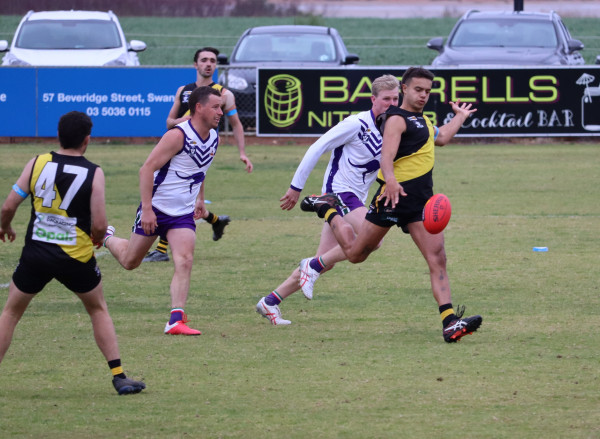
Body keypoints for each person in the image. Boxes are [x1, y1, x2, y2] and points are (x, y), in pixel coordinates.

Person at [300, 67, 483, 343]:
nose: (423, 95)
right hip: (392, 198)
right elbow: (386, 156)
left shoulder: (423, 120)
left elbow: (443, 137)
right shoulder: (396, 119)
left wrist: (460, 116)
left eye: (427, 91)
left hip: (421, 204)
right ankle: (326, 207)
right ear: (405, 88)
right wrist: (393, 181)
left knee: (438, 258)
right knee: (356, 254)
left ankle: (449, 323)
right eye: (418, 89)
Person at [0, 111, 145, 395]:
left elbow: (8, 206)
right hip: (76, 257)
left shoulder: (37, 162)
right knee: (97, 309)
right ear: (87, 140)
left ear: (58, 135)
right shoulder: (94, 172)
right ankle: (119, 376)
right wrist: (99, 238)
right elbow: (100, 224)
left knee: (11, 312)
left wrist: (5, 226)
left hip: (36, 253)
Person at [256, 74, 400, 325]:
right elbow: (318, 146)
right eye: (386, 99)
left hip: (355, 198)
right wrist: (295, 186)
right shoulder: (356, 124)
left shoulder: (394, 129)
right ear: (373, 99)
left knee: (324, 261)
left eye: (396, 99)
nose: (392, 104)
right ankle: (313, 251)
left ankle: (270, 302)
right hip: (339, 193)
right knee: (373, 238)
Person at [103, 86, 223, 336]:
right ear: (198, 107)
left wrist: (200, 199)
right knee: (130, 262)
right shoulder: (177, 136)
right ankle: (106, 237)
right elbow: (146, 169)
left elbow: (200, 169)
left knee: (185, 260)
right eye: (215, 107)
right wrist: (147, 209)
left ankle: (175, 320)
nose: (220, 112)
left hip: (182, 214)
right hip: (156, 209)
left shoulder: (214, 137)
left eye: (220, 107)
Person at [144, 47, 252, 262]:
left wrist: (242, 152)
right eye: (204, 60)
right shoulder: (183, 91)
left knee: (180, 194)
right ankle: (216, 221)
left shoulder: (224, 94)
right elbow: (169, 122)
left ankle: (161, 249)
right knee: (177, 194)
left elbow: (236, 124)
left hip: (203, 147)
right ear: (195, 64)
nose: (208, 64)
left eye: (212, 60)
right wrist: (183, 122)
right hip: (177, 145)